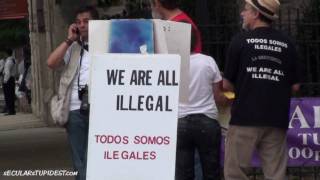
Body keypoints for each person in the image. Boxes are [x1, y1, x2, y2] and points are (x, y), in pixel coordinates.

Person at [223, 0, 301, 179]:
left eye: (246, 10)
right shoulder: (288, 44)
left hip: (244, 118)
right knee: (275, 174)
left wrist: (246, 86)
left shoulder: (240, 41)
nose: (243, 13)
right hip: (276, 119)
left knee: (236, 173)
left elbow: (227, 84)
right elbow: (295, 86)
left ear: (256, 14)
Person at [47, 5, 99, 180]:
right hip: (76, 109)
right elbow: (51, 63)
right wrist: (69, 40)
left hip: (101, 109)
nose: (82, 25)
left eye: (86, 21)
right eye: (78, 22)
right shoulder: (73, 47)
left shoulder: (108, 44)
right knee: (80, 161)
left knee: (100, 157)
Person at [3, 49, 16, 115]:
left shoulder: (8, 61)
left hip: (8, 80)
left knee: (8, 96)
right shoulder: (13, 60)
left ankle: (10, 110)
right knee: (11, 95)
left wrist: (5, 81)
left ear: (6, 54)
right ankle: (12, 110)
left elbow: (7, 72)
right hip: (12, 79)